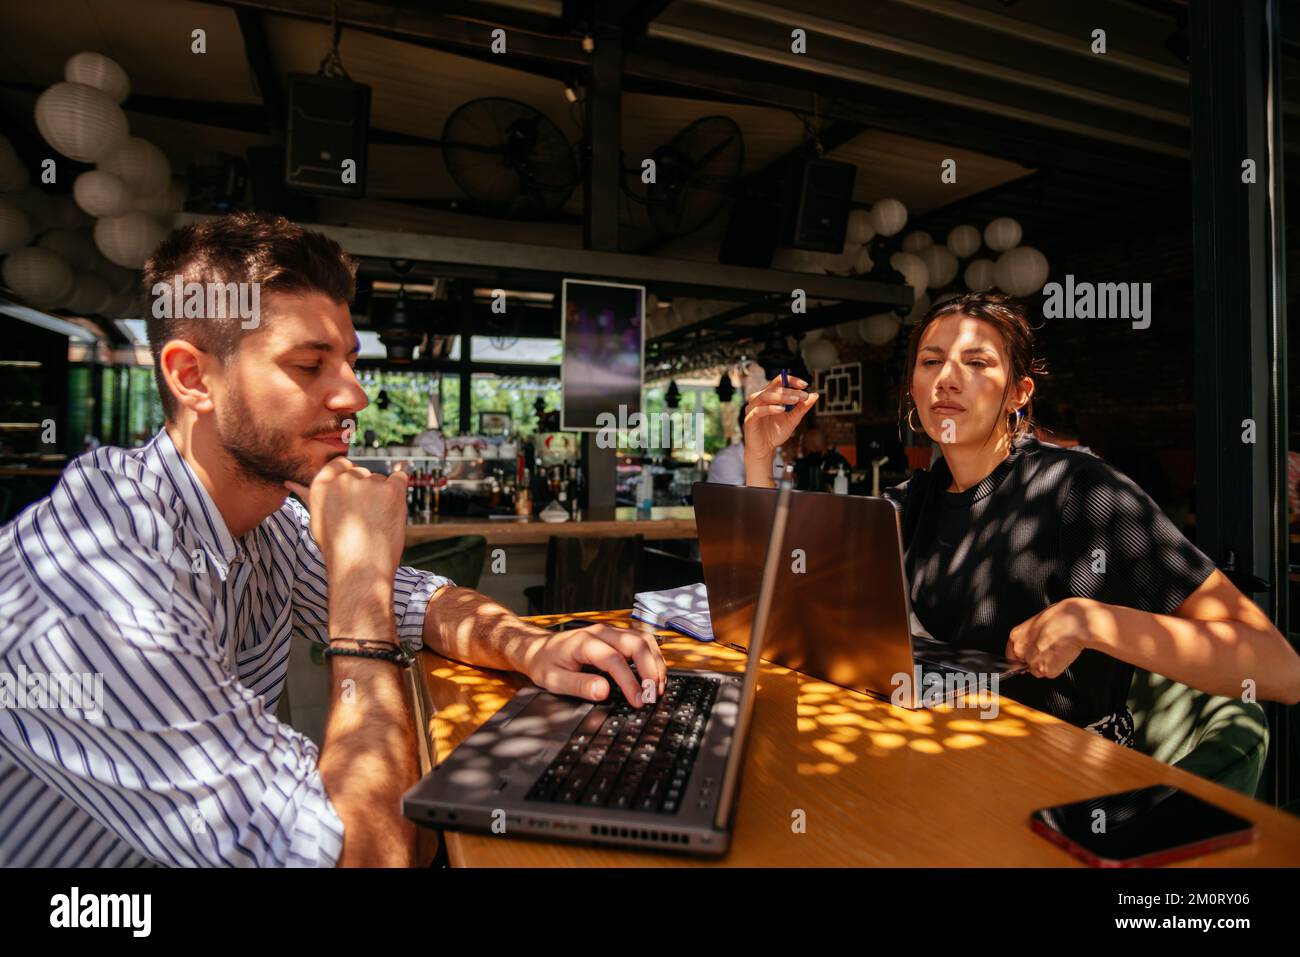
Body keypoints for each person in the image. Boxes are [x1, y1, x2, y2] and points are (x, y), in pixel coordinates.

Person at [0, 213, 665, 867]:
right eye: (309, 364)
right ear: (193, 377)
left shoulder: (264, 516)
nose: (354, 396)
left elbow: (427, 605)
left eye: (348, 360)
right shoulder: (96, 592)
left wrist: (535, 644)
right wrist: (358, 592)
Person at [742, 291, 1300, 746]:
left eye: (977, 363)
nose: (948, 379)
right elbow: (790, 601)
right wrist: (761, 457)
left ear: (1017, 392)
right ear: (913, 389)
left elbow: (1278, 668)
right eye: (931, 361)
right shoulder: (912, 502)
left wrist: (1095, 622)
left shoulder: (1083, 490)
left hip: (1061, 785)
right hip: (942, 759)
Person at [707, 400, 785, 485]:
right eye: (764, 424)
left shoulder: (774, 455)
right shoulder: (725, 460)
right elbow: (749, 495)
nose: (769, 430)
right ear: (747, 428)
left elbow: (785, 486)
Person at [792, 423, 851, 492]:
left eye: (804, 443)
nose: (803, 447)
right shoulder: (839, 459)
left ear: (812, 445)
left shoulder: (812, 463)